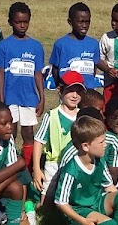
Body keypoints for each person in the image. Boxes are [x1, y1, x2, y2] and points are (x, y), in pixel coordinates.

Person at [53, 115, 118, 225]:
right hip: (78, 211)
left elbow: (110, 187)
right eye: (101, 142)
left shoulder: (99, 161)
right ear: (85, 146)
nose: (105, 145)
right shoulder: (71, 169)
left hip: (96, 203)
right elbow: (60, 202)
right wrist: (83, 222)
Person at [0, 2, 45, 158]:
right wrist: (1, 98)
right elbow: (0, 74)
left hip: (29, 97)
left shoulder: (36, 46)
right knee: (10, 131)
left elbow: (38, 74)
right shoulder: (4, 46)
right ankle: (10, 161)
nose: (22, 25)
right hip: (10, 97)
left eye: (25, 22)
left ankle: (29, 165)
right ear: (10, 22)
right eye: (18, 22)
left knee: (28, 132)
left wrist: (42, 98)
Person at [31, 71, 85, 200]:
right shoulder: (51, 116)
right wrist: (37, 169)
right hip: (54, 164)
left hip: (77, 164)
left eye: (78, 91)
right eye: (71, 91)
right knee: (46, 204)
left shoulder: (83, 116)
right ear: (60, 90)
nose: (75, 95)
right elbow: (39, 142)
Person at [50, 2, 101, 89]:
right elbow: (55, 70)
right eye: (80, 22)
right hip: (69, 93)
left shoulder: (94, 44)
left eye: (87, 22)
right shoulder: (61, 44)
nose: (84, 25)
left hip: (88, 93)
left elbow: (94, 69)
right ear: (70, 22)